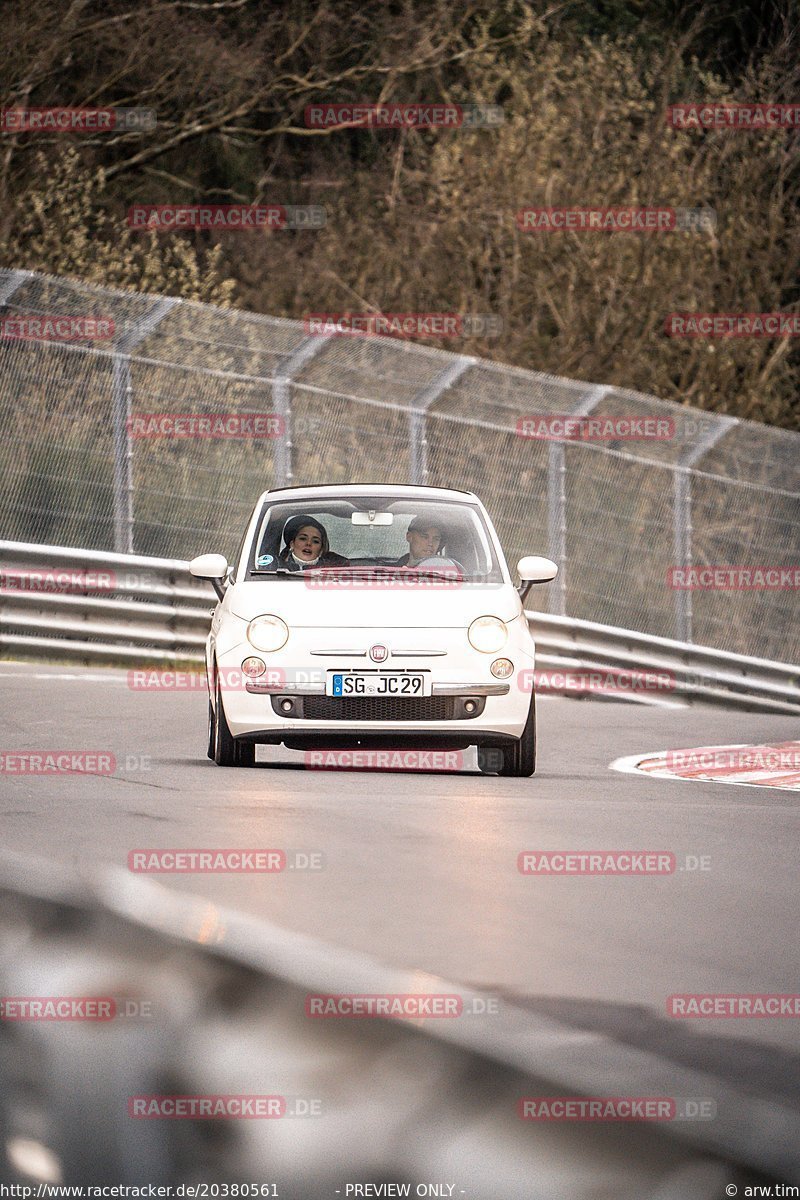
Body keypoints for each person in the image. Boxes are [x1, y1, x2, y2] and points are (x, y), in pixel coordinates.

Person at [277, 515, 349, 571]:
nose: (308, 543)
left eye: (315, 541)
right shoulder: (274, 567)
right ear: (292, 544)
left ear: (321, 550)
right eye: (303, 538)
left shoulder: (336, 572)